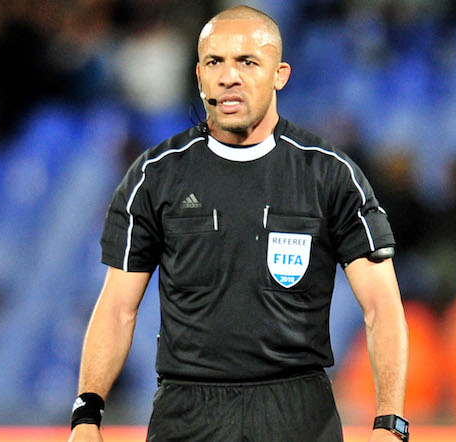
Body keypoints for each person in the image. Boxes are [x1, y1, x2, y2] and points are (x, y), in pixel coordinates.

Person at [68, 5, 409, 442]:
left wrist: (390, 422)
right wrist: (86, 414)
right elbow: (117, 307)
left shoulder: (329, 175)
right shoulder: (155, 176)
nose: (229, 75)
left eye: (247, 61)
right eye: (215, 62)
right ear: (199, 74)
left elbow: (382, 306)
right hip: (186, 414)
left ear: (279, 74)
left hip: (298, 413)